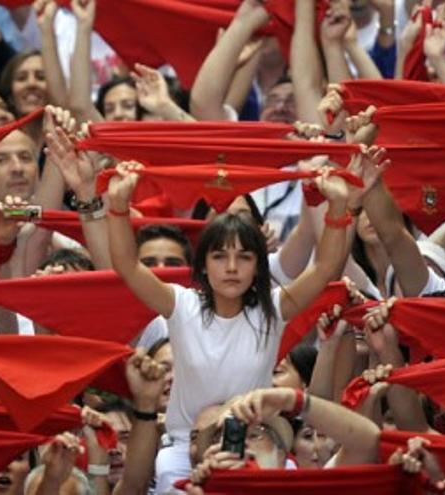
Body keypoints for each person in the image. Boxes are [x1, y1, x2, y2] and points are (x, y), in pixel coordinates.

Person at [106, 151, 361, 489]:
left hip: (257, 445)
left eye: (243, 257)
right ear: (203, 265)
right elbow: (127, 265)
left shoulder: (273, 309)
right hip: (184, 449)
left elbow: (326, 266)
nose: (231, 267)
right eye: (219, 256)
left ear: (258, 265)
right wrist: (118, 205)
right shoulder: (181, 304)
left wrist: (339, 207)